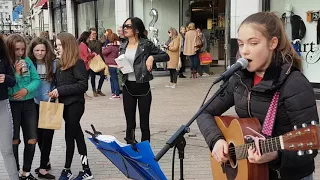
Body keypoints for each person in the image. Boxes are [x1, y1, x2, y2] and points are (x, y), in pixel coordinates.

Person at [197, 12, 318, 180]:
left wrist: (276, 155)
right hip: (251, 173)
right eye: (240, 44)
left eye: (253, 43)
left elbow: (310, 144)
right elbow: (203, 112)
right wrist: (216, 141)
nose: (244, 51)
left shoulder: (294, 84)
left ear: (272, 43)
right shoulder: (239, 78)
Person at [49, 32, 93, 180]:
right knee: (78, 136)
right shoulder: (59, 63)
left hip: (75, 105)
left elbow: (83, 85)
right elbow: (58, 83)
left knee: (69, 135)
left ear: (68, 46)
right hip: (64, 105)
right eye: (56, 45)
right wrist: (53, 91)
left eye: (60, 45)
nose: (57, 48)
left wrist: (60, 90)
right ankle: (86, 170)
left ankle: (67, 169)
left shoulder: (78, 62)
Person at [120, 17, 169, 143]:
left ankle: (145, 151)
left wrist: (152, 57)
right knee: (130, 123)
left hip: (143, 88)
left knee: (144, 124)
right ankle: (130, 149)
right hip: (127, 87)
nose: (125, 28)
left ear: (136, 29)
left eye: (128, 26)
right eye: (124, 26)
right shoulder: (123, 45)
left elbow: (165, 55)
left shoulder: (145, 44)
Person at [6, 34, 41, 180]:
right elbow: (7, 88)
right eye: (17, 50)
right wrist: (17, 74)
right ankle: (16, 172)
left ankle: (26, 171)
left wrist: (26, 90)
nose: (20, 53)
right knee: (14, 140)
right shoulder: (6, 64)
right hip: (12, 105)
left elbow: (36, 79)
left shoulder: (27, 60)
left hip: (28, 104)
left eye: (22, 49)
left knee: (32, 139)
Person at [28, 37, 56, 179]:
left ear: (47, 50)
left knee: (48, 136)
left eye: (43, 50)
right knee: (38, 136)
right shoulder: (29, 64)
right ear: (32, 51)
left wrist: (56, 91)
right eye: (37, 50)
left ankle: (43, 168)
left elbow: (58, 82)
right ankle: (45, 161)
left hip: (50, 104)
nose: (40, 53)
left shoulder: (53, 63)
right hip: (33, 105)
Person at [0, 34, 20, 180]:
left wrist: (5, 78)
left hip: (2, 105)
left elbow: (13, 81)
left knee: (7, 149)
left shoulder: (3, 57)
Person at [87, 28, 106, 97]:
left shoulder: (98, 42)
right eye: (93, 33)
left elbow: (102, 47)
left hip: (100, 61)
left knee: (103, 76)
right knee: (93, 76)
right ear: (90, 34)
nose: (94, 35)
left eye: (95, 33)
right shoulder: (88, 42)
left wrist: (103, 61)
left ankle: (99, 89)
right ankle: (94, 90)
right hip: (92, 61)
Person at [102, 33, 121, 99]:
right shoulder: (118, 46)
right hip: (116, 64)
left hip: (111, 65)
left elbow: (104, 52)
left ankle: (116, 94)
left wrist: (104, 47)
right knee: (113, 79)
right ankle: (114, 93)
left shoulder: (110, 47)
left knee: (114, 79)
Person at [78, 31, 95, 98]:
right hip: (85, 64)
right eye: (88, 38)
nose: (89, 39)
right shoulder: (83, 45)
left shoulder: (79, 44)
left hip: (82, 63)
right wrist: (93, 54)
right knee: (85, 79)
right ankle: (84, 93)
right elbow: (87, 55)